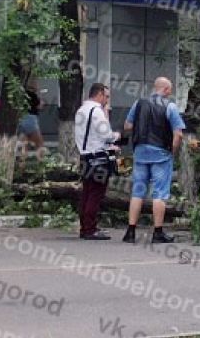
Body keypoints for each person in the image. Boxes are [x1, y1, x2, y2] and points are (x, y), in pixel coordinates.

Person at [122, 77, 185, 244]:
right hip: (161, 153)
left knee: (137, 191)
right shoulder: (170, 106)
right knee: (160, 193)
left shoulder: (139, 103)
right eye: (170, 89)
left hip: (140, 151)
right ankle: (157, 232)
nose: (171, 93)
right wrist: (172, 150)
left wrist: (142, 126)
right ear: (166, 89)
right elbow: (178, 134)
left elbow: (127, 125)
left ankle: (130, 231)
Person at [75, 83, 120, 240]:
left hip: (85, 156)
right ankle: (90, 229)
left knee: (87, 192)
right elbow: (106, 134)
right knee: (96, 193)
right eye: (106, 96)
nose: (107, 100)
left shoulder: (81, 110)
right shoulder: (97, 111)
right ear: (99, 94)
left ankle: (85, 226)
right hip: (98, 158)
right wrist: (117, 136)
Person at [16, 83, 45, 169]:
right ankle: (41, 167)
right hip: (31, 119)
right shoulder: (33, 95)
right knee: (39, 144)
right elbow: (40, 106)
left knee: (24, 145)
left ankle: (21, 167)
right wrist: (41, 98)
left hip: (21, 119)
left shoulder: (21, 95)